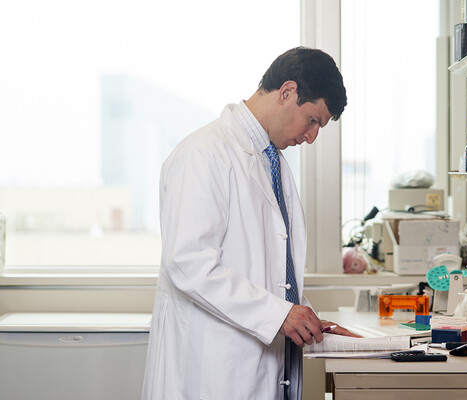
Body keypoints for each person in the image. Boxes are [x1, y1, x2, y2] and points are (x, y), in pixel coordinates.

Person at [142, 47, 358, 400]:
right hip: (213, 371)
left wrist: (304, 318)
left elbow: (268, 268)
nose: (312, 137)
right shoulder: (204, 153)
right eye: (314, 120)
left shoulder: (272, 162)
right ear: (287, 92)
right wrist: (279, 314)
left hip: (258, 364)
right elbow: (188, 262)